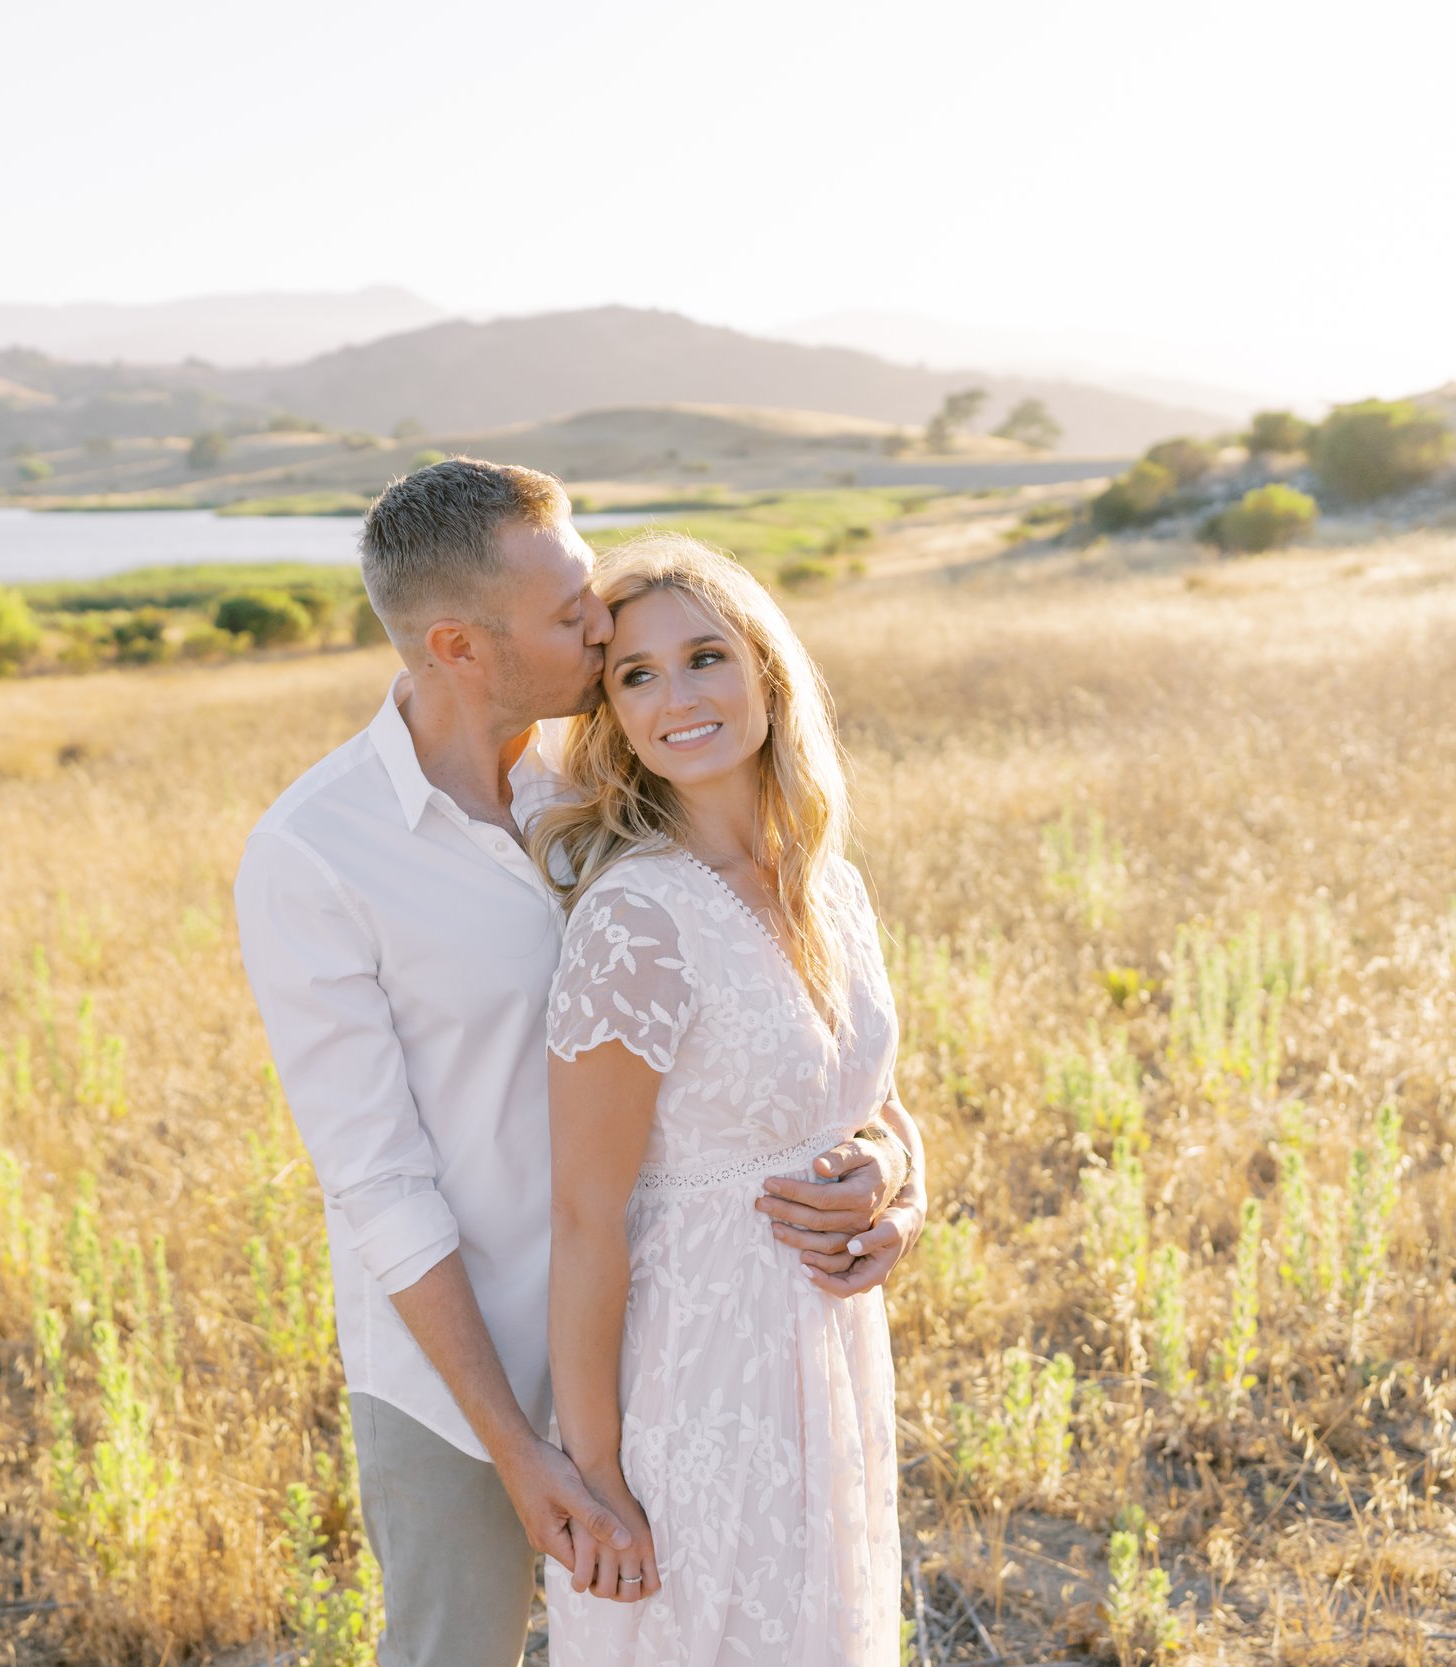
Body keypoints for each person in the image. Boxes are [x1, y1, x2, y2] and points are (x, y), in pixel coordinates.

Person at [232, 459, 925, 1667]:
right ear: (458, 642)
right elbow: (378, 1185)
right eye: (570, 615)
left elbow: (779, 1027)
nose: (602, 626)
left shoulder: (609, 775)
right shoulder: (317, 854)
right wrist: (520, 1445)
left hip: (686, 1335)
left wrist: (893, 1167)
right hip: (469, 1369)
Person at [534, 531, 911, 1665]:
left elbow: (865, 1096)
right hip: (691, 1377)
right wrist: (596, 1474)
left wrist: (897, 1184)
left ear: (766, 670)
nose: (675, 697)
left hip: (825, 1348)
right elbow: (585, 1218)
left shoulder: (824, 881)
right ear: (611, 716)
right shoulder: (636, 921)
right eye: (634, 675)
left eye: (703, 656)